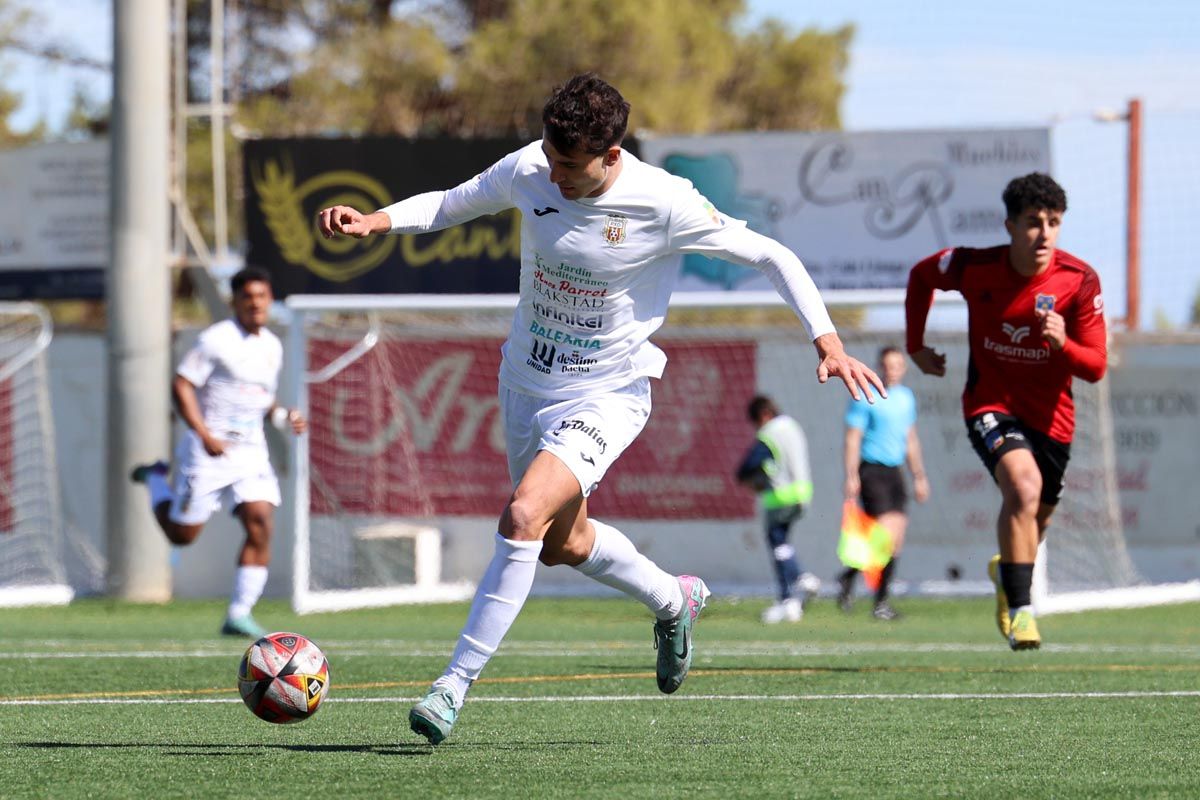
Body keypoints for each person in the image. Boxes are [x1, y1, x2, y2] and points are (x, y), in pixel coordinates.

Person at [318, 73, 884, 745]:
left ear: (613, 155)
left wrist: (828, 341)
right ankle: (674, 600)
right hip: (524, 386)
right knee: (562, 543)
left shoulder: (664, 201)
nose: (555, 181)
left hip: (608, 393)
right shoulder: (530, 167)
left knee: (525, 513)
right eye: (552, 164)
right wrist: (377, 220)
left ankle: (452, 685)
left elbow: (770, 253)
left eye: (572, 170)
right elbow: (448, 204)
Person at [905, 172, 1106, 650]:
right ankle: (1021, 611)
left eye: (1053, 223)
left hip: (1052, 418)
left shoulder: (1078, 280)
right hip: (989, 404)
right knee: (1022, 485)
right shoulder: (974, 267)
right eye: (1033, 222)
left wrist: (1063, 344)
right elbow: (921, 276)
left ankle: (1006, 572)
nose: (1044, 234)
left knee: (1037, 515)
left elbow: (1096, 367)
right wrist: (916, 344)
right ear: (1010, 224)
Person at [130, 267, 307, 639]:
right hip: (209, 452)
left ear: (269, 299)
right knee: (182, 535)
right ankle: (156, 479)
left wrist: (282, 415)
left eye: (261, 296)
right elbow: (182, 385)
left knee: (260, 522)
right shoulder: (216, 340)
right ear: (235, 301)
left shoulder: (272, 346)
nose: (256, 303)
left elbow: (260, 399)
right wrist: (203, 432)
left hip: (251, 452)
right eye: (248, 297)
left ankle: (239, 614)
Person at [837, 346, 929, 620]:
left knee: (895, 541)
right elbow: (853, 437)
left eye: (898, 365)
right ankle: (872, 596)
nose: (893, 370)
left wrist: (919, 476)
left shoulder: (906, 398)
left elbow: (910, 439)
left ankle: (863, 589)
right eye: (888, 365)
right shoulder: (866, 395)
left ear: (903, 368)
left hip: (895, 471)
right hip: (872, 470)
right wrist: (851, 475)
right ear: (880, 366)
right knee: (887, 535)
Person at [736, 395, 821, 623]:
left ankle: (801, 577)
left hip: (780, 496)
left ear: (763, 415)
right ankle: (789, 601)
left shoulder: (770, 432)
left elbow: (747, 467)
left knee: (777, 542)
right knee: (781, 543)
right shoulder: (793, 426)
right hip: (802, 492)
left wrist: (754, 480)